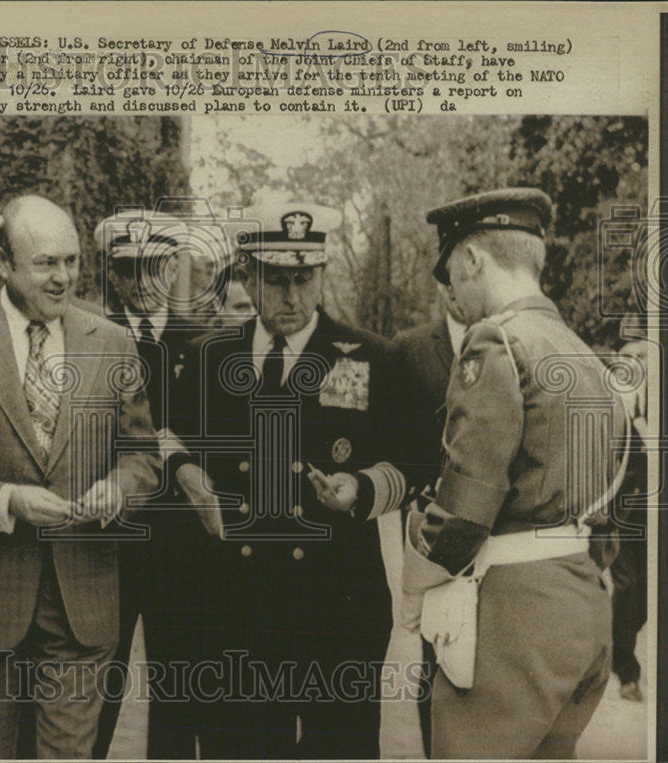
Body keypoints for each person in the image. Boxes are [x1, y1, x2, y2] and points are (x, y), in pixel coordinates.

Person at [168, 202, 407, 759]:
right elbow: (165, 432)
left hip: (337, 611)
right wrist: (185, 472)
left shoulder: (371, 357)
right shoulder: (209, 357)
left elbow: (410, 462)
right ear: (249, 274)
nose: (292, 297)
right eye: (276, 280)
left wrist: (363, 488)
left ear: (323, 276)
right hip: (235, 610)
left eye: (305, 279)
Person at [0, 195, 161, 759]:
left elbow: (144, 458)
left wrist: (118, 488)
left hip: (82, 602)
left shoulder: (110, 341)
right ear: (2, 264)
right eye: (46, 264)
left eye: (72, 262)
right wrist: (5, 499)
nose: (63, 278)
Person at [400, 188, 626, 758]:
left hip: (513, 623)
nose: (451, 288)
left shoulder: (494, 339)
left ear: (473, 259)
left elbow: (462, 513)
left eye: (452, 269)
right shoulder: (579, 352)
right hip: (581, 605)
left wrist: (415, 553)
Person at [91, 212, 215, 760]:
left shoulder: (209, 346)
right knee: (94, 690)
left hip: (182, 547)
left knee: (180, 691)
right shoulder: (88, 341)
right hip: (108, 541)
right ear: (112, 275)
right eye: (127, 269)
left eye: (155, 268)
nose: (142, 283)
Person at [387, 281, 468, 757]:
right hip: (428, 526)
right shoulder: (410, 349)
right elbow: (390, 434)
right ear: (440, 285)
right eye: (450, 281)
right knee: (436, 648)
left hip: (498, 531)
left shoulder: (508, 340)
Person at [609, 332, 649, 702]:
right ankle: (625, 669)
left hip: (652, 511)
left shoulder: (662, 404)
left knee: (645, 600)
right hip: (619, 508)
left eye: (643, 356)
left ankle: (616, 645)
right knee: (627, 585)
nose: (638, 365)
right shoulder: (611, 405)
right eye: (630, 357)